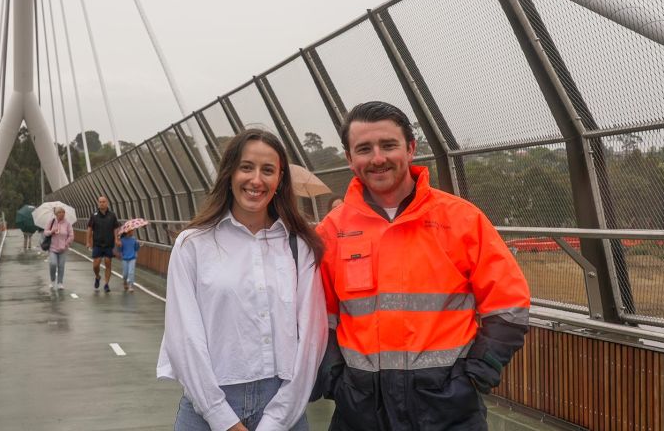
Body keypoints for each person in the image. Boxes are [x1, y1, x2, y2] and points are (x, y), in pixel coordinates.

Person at [316, 101, 531, 430]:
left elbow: (509, 305)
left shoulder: (461, 220)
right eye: (364, 148)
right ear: (349, 158)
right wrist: (335, 380)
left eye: (388, 145)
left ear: (411, 148)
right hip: (360, 411)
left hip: (448, 410)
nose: (377, 158)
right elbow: (318, 319)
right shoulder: (331, 232)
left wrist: (477, 373)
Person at [157, 129, 327, 431]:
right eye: (246, 167)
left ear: (280, 180)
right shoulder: (193, 244)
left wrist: (275, 421)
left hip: (284, 409)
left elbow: (312, 338)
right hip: (206, 411)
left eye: (268, 170)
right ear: (229, 172)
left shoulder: (299, 246)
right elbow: (184, 338)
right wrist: (222, 417)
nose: (256, 180)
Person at [88, 196, 120, 293]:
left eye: (103, 201)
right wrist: (88, 241)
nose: (102, 203)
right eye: (100, 202)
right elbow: (89, 229)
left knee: (107, 262)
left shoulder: (112, 215)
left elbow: (115, 228)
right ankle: (97, 276)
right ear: (98, 203)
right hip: (97, 244)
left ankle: (106, 284)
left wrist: (116, 239)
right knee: (96, 265)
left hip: (108, 243)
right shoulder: (94, 215)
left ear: (107, 203)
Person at [44, 207, 74, 290]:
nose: (62, 214)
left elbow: (71, 236)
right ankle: (52, 280)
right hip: (52, 248)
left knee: (61, 266)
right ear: (56, 214)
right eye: (60, 212)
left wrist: (66, 243)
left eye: (63, 212)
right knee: (53, 264)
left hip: (63, 248)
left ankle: (60, 282)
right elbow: (45, 232)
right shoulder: (51, 222)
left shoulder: (67, 223)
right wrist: (51, 231)